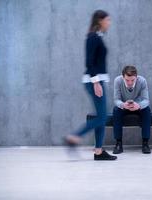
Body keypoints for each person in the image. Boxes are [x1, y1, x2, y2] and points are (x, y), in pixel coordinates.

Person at [64, 10, 117, 161]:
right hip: (94, 80)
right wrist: (96, 82)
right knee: (102, 117)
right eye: (107, 20)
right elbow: (89, 62)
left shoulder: (97, 37)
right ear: (100, 20)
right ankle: (73, 137)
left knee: (102, 117)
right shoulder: (93, 37)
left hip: (97, 80)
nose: (109, 23)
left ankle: (99, 151)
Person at [112, 66, 151, 154]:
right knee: (116, 110)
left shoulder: (142, 81)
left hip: (137, 106)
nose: (130, 82)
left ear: (136, 77)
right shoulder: (118, 80)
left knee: (147, 110)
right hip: (124, 106)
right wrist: (123, 104)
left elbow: (146, 100)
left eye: (132, 80)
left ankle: (145, 143)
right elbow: (116, 99)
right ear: (123, 77)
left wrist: (139, 105)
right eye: (127, 80)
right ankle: (118, 143)